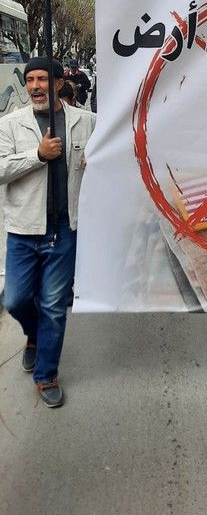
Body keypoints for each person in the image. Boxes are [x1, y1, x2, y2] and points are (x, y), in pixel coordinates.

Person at [0, 57, 95, 407]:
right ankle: (34, 335)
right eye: (30, 80)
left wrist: (94, 162)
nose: (35, 86)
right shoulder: (10, 124)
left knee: (54, 305)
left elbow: (109, 155)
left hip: (64, 229)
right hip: (23, 230)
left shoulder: (86, 122)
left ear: (57, 83)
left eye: (42, 79)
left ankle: (46, 375)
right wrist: (37, 155)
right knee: (15, 300)